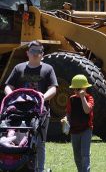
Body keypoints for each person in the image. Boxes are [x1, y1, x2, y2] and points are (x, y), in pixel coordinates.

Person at [3, 40, 58, 172]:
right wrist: (12, 97)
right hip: (19, 111)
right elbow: (8, 86)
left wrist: (42, 98)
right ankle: (17, 166)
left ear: (42, 54)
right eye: (33, 51)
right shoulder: (19, 68)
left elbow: (53, 88)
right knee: (16, 138)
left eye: (39, 51)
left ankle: (39, 169)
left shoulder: (48, 69)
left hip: (41, 112)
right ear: (27, 53)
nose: (35, 54)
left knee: (39, 143)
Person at [66, 74, 94, 172]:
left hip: (86, 129)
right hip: (74, 131)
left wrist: (82, 98)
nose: (75, 91)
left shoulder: (89, 98)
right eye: (74, 89)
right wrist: (65, 119)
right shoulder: (71, 99)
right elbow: (68, 113)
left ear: (84, 88)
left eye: (77, 89)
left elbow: (87, 110)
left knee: (85, 154)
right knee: (77, 155)